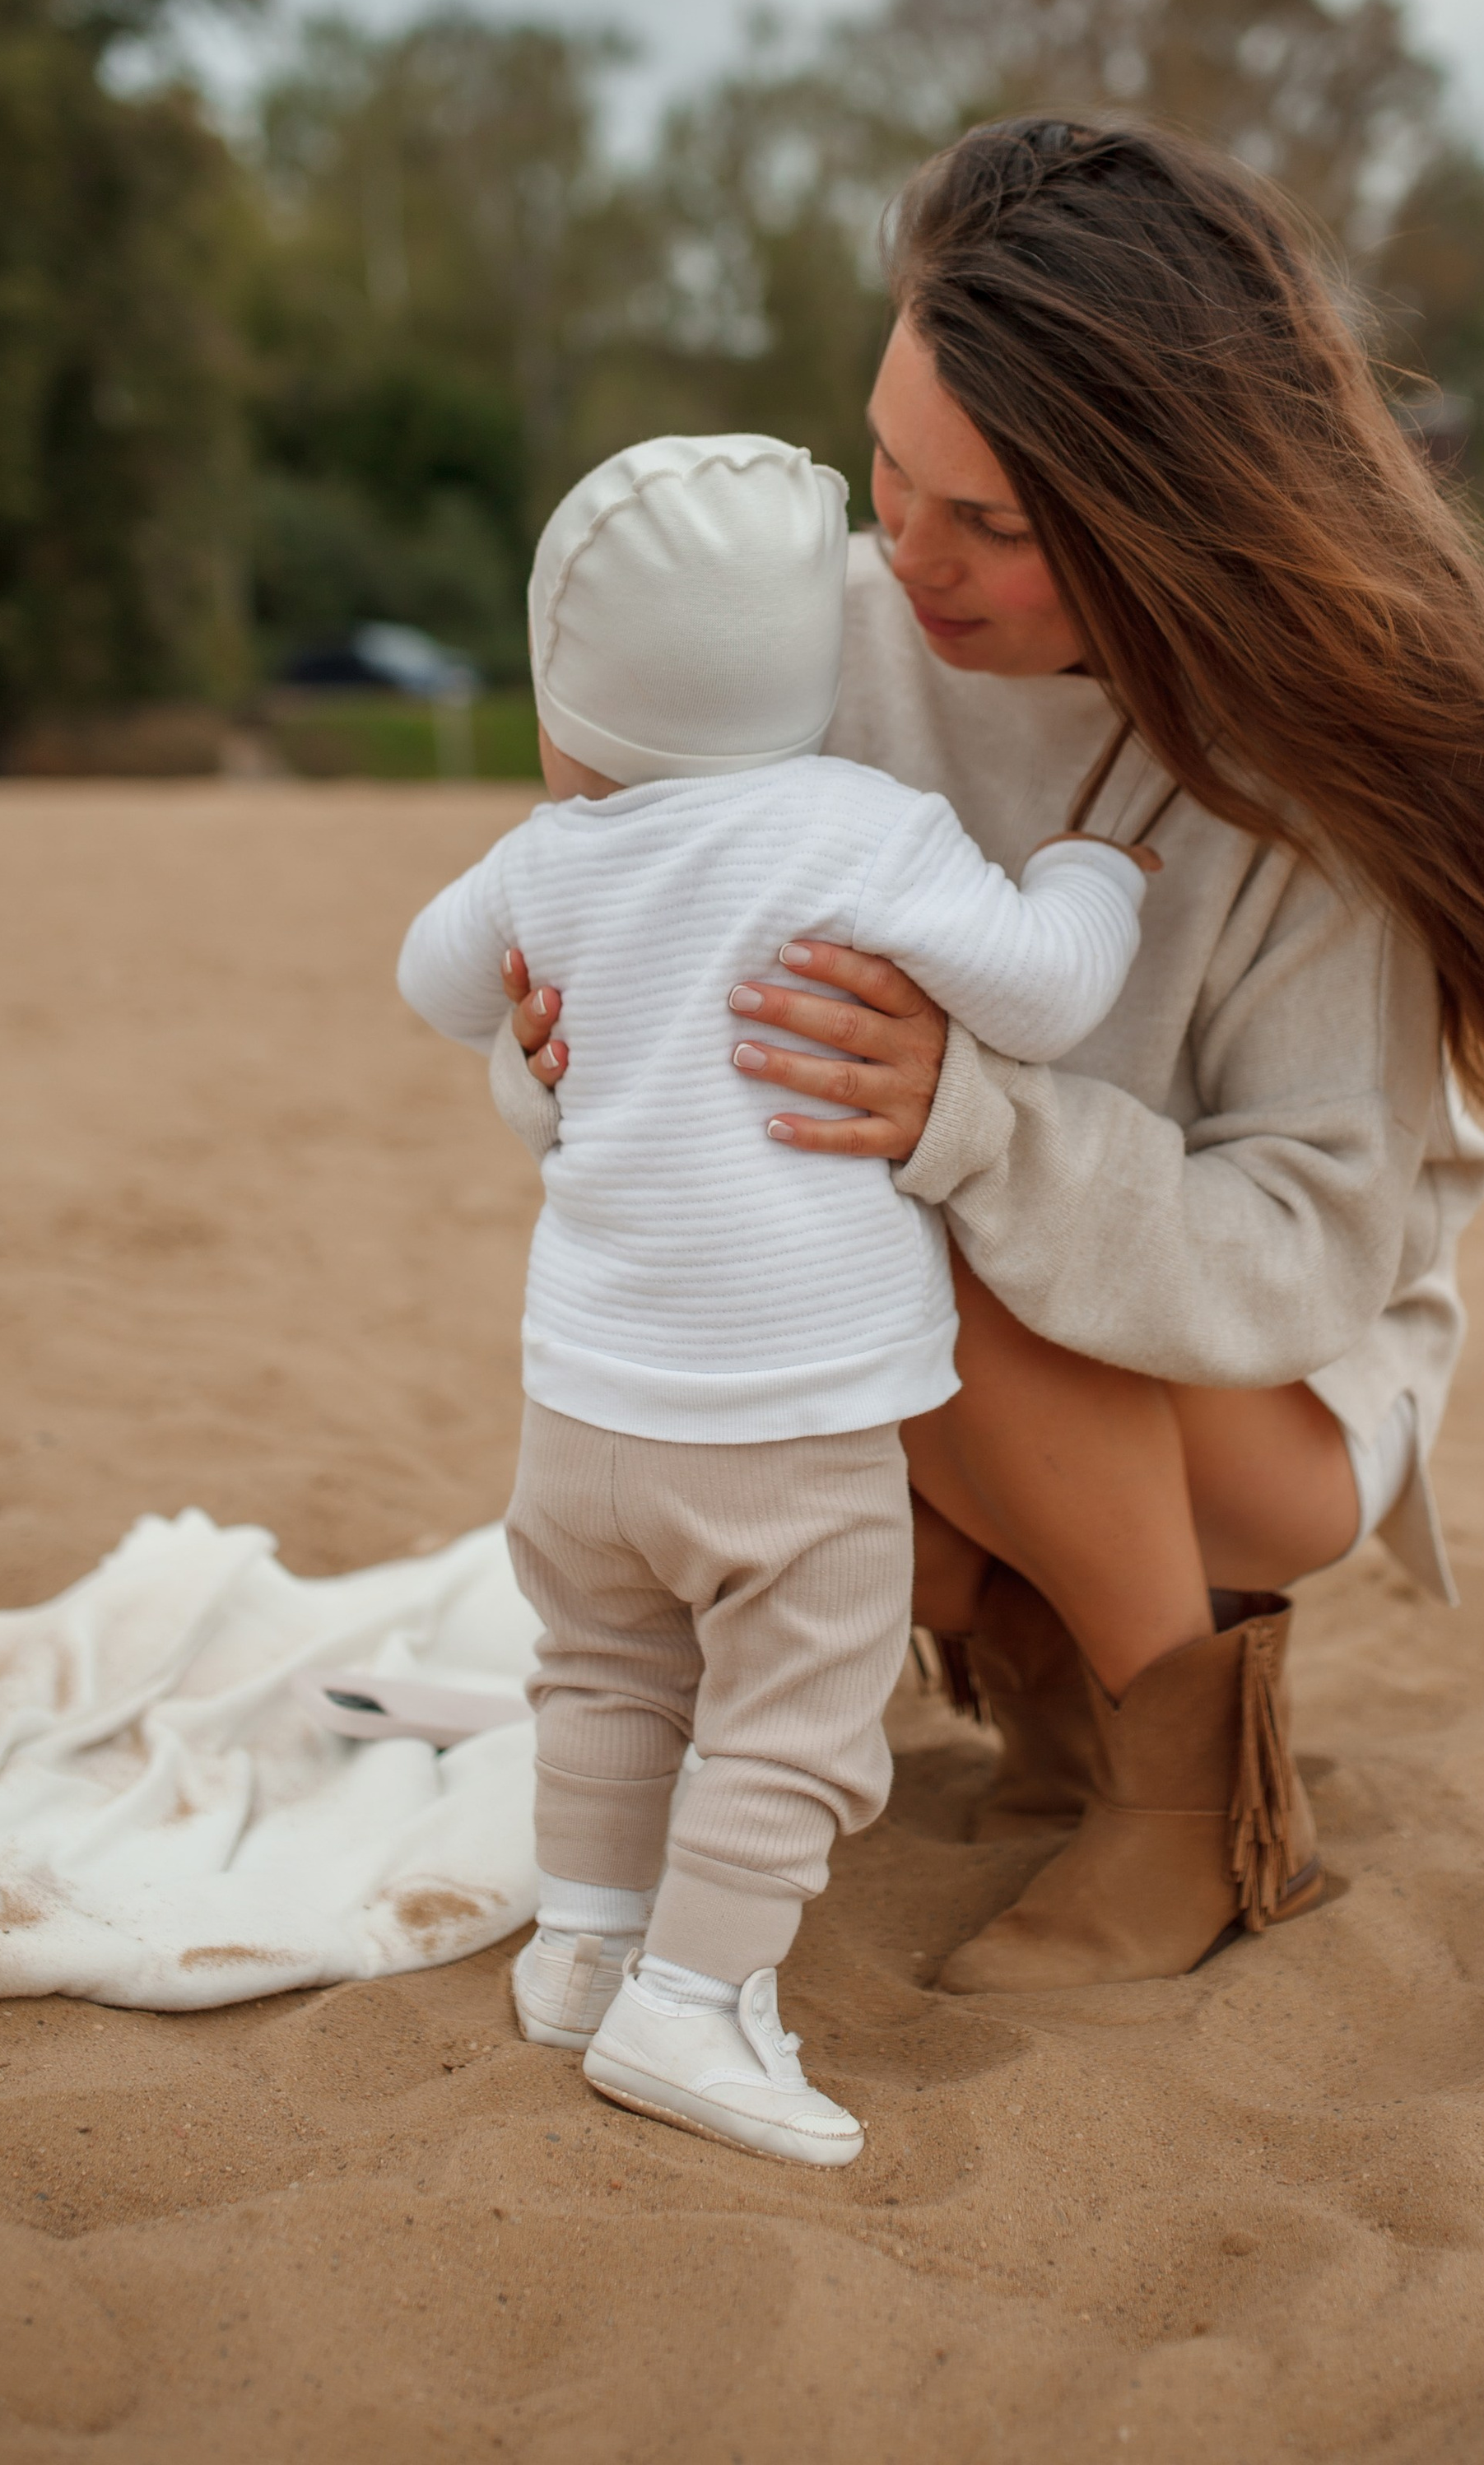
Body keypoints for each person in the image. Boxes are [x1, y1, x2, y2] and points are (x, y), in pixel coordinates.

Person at [493, 119, 1484, 1998]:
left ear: (1159, 518)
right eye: (882, 472)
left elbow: (1300, 1259)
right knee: (770, 1253)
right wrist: (566, 1045)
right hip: (947, 1355)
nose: (905, 553)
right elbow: (654, 1074)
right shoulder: (802, 650)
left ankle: (1191, 1788)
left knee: (883, 1197)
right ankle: (1024, 1642)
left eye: (990, 523)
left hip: (1262, 1405)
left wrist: (967, 1123)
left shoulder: (1310, 793)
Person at [397, 432, 1153, 2167]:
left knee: (601, 1669)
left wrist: (535, 985)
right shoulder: (857, 827)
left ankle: (584, 1952)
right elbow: (1037, 998)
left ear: (564, 701)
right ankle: (696, 2000)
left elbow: (431, 983)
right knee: (792, 1715)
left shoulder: (543, 853)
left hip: (578, 1413)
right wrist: (1083, 880)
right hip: (785, 1426)